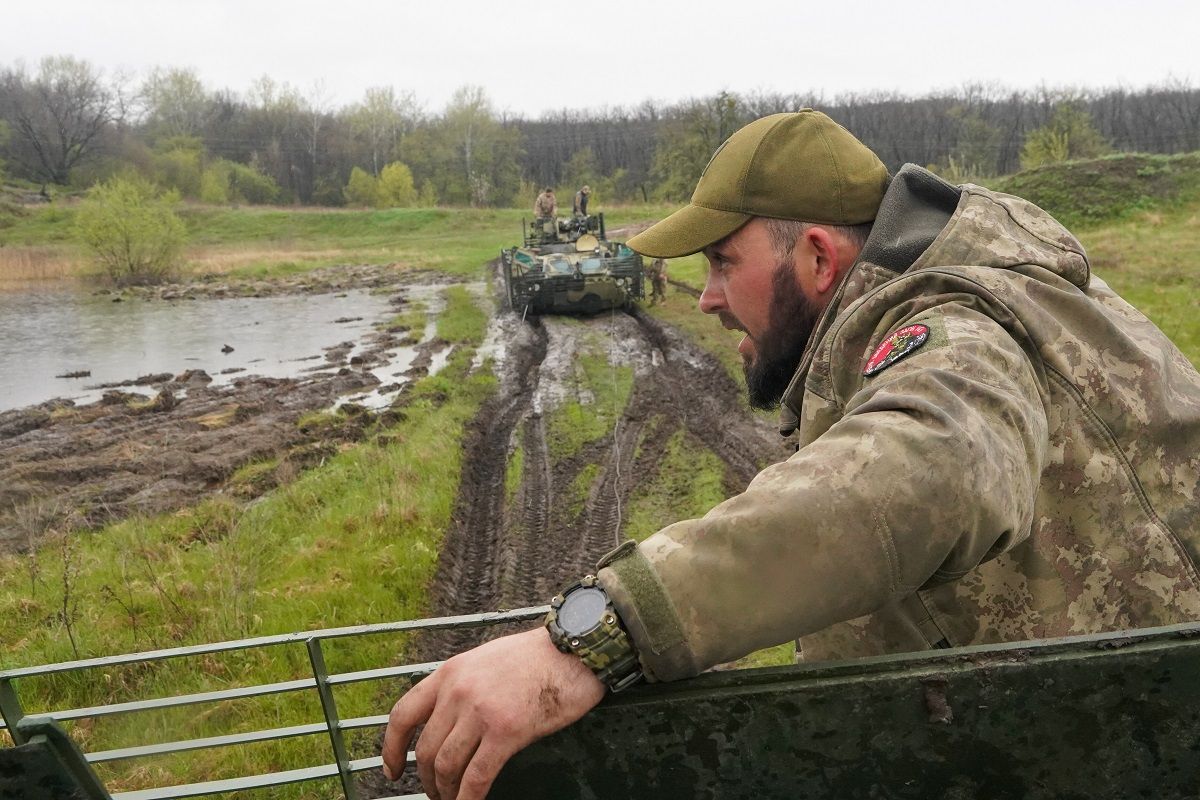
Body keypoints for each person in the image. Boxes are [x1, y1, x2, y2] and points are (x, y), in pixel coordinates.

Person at [382, 110, 1200, 799]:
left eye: (723, 263)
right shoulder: (918, 306)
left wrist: (593, 636)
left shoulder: (955, 327)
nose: (704, 298)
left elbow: (928, 475)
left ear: (817, 257)